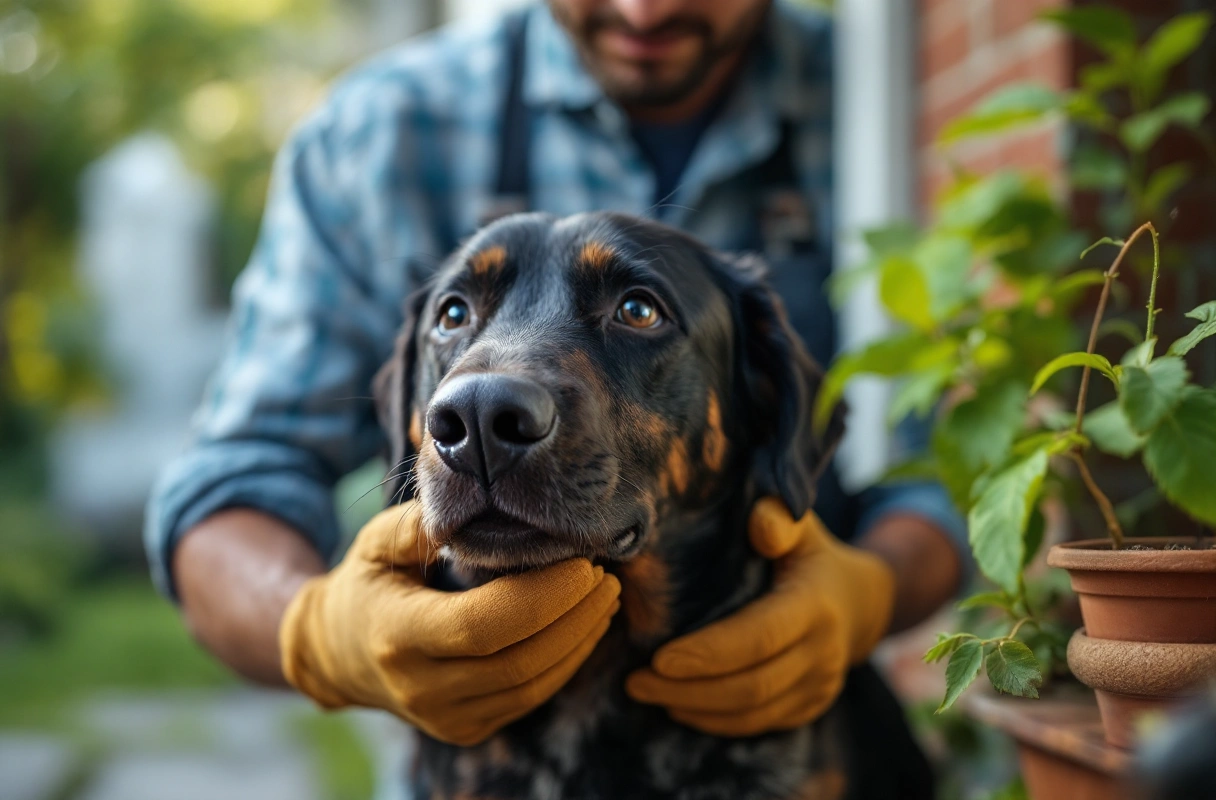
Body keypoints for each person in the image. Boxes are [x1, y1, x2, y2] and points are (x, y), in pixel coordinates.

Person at [148, 0, 966, 794]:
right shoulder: (376, 130)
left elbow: (943, 461)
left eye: (639, 310)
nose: (645, 9)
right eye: (458, 314)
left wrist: (873, 593)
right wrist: (317, 631)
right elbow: (237, 475)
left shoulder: (903, 91)